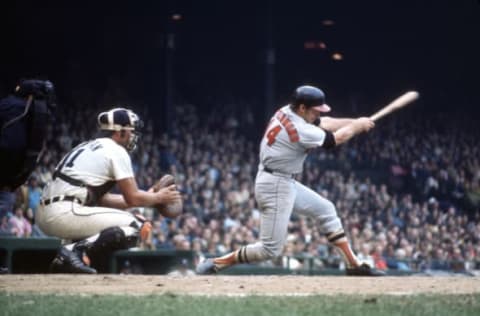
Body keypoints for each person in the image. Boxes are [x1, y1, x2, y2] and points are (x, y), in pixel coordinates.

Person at [196, 85, 385, 276]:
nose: (317, 114)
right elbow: (336, 139)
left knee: (326, 209)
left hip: (280, 180)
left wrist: (357, 122)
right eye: (315, 110)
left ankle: (353, 265)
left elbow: (324, 122)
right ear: (302, 108)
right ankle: (215, 263)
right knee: (269, 249)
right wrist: (356, 127)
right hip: (276, 184)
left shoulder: (288, 110)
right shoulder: (299, 128)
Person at [36, 107, 181, 274]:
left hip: (49, 211)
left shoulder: (86, 146)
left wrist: (150, 197)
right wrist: (157, 198)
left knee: (117, 222)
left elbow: (104, 200)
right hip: (66, 211)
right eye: (131, 131)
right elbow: (133, 198)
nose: (134, 136)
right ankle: (72, 251)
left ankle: (64, 260)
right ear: (119, 132)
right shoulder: (116, 150)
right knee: (138, 226)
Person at [0, 79, 56, 220]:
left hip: (7, 174)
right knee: (5, 201)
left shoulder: (5, 103)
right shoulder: (37, 109)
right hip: (8, 177)